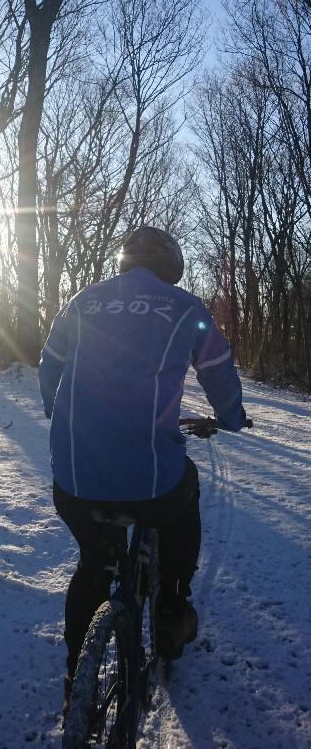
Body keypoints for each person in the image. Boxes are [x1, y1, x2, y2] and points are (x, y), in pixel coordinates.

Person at [38, 226, 246, 714]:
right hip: (151, 487)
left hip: (75, 480)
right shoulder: (186, 307)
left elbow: (50, 365)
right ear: (170, 266)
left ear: (125, 261)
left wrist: (55, 409)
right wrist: (232, 418)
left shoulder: (83, 302)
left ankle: (75, 681)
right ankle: (171, 608)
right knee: (185, 489)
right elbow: (218, 369)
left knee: (93, 564)